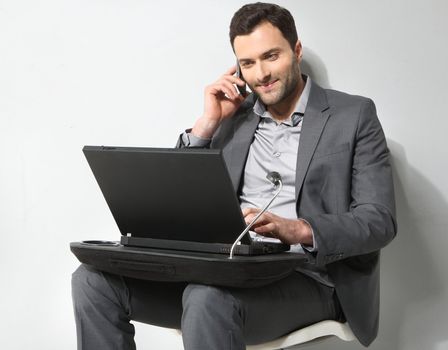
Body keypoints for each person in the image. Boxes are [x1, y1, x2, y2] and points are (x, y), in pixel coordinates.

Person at [72, 3, 396, 349]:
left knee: (206, 297)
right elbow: (182, 201)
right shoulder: (234, 118)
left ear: (296, 50)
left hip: (308, 278)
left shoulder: (353, 115)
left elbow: (379, 220)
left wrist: (299, 229)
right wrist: (206, 126)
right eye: (248, 63)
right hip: (222, 270)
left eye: (271, 56)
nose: (261, 74)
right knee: (92, 281)